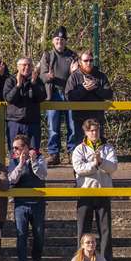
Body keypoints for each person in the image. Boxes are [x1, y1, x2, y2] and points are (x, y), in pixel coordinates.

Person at [72, 119, 117, 261]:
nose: (94, 133)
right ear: (85, 132)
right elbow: (79, 168)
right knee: (83, 229)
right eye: (91, 130)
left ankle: (105, 260)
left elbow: (113, 167)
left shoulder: (108, 148)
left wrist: (101, 162)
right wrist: (95, 164)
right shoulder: (79, 149)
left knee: (105, 229)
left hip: (103, 192)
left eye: (96, 130)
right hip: (85, 192)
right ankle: (81, 259)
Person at [8, 134, 47, 261]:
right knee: (21, 235)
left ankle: (36, 258)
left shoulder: (39, 157)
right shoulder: (13, 160)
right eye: (13, 148)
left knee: (39, 234)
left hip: (37, 203)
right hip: (20, 204)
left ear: (26, 147)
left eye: (17, 147)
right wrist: (20, 164)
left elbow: (43, 175)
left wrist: (33, 160)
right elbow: (11, 180)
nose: (15, 150)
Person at [40, 26, 78, 165]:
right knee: (53, 126)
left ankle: (72, 153)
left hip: (69, 95)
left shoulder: (73, 56)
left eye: (62, 39)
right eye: (57, 39)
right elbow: (41, 76)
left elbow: (79, 76)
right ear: (52, 41)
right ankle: (54, 154)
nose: (59, 42)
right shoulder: (47, 56)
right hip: (53, 94)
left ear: (65, 41)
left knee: (72, 126)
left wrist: (75, 72)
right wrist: (47, 77)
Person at [65, 50, 113, 147]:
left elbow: (109, 94)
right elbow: (69, 96)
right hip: (80, 120)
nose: (89, 63)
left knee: (99, 148)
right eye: (86, 60)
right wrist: (84, 89)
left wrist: (96, 88)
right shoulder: (74, 77)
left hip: (97, 119)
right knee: (81, 147)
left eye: (91, 60)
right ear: (80, 62)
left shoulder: (101, 76)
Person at [3, 57, 47, 151]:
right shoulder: (10, 80)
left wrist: (34, 84)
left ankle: (32, 166)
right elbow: (9, 99)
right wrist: (18, 86)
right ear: (18, 67)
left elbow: (42, 97)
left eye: (29, 65)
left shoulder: (37, 80)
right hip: (15, 122)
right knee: (15, 153)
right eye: (24, 65)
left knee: (33, 153)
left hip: (33, 122)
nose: (27, 67)